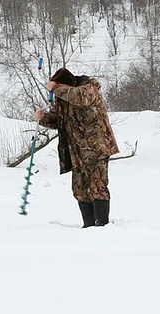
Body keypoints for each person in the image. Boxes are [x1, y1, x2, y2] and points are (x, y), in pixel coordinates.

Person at [35, 68, 119, 227]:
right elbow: (58, 120)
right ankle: (88, 225)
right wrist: (43, 118)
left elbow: (79, 97)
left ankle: (102, 225)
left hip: (97, 147)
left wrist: (55, 88)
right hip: (77, 151)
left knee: (97, 186)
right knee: (80, 189)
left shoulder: (89, 89)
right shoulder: (64, 99)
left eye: (59, 87)